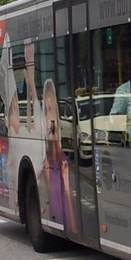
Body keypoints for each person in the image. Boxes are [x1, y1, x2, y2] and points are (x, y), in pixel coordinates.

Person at [39, 79, 77, 235]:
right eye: (46, 110)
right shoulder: (44, 165)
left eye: (52, 109)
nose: (49, 117)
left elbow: (71, 213)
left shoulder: (65, 161)